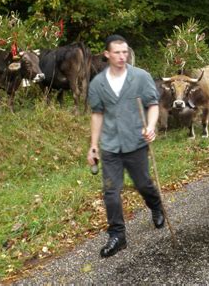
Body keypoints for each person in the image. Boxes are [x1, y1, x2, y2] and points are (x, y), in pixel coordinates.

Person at [87, 35, 165, 258]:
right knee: (111, 191)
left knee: (143, 184)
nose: (123, 56)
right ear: (107, 55)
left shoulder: (140, 77)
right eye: (118, 52)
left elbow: (153, 105)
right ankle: (117, 236)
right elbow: (97, 114)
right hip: (111, 145)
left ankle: (156, 205)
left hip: (136, 142)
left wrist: (150, 126)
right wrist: (93, 145)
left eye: (125, 52)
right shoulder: (98, 84)